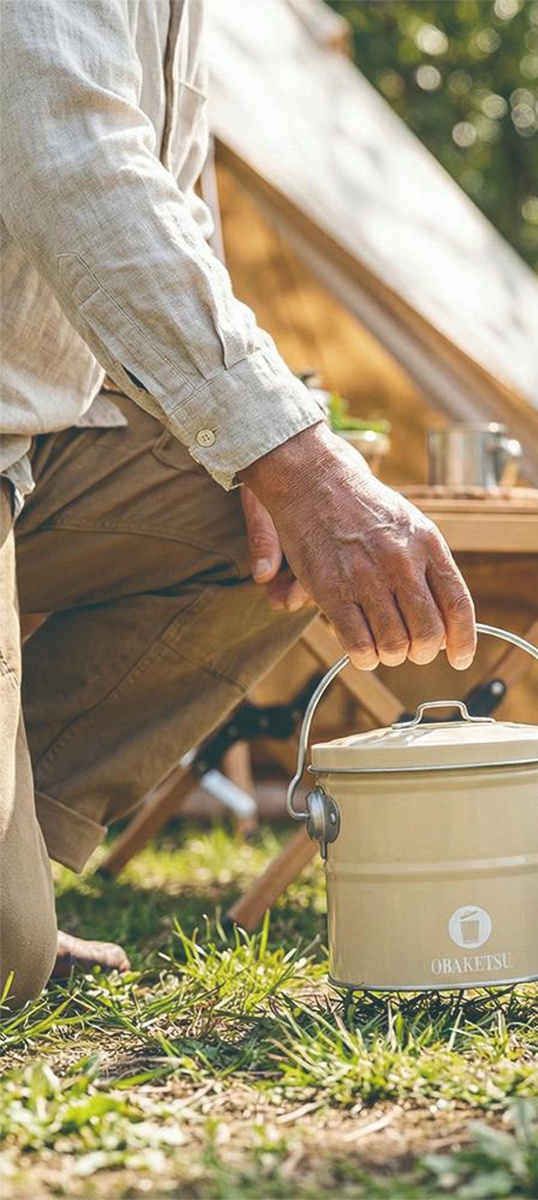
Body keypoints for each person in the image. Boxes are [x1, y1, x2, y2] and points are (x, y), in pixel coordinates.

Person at [0, 0, 476, 1008]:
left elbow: (176, 221)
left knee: (261, 534)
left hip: (36, 445)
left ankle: (15, 857)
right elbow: (74, 168)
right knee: (8, 963)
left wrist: (259, 444)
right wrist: (292, 459)